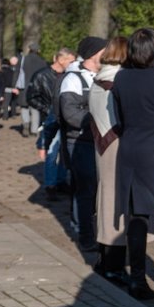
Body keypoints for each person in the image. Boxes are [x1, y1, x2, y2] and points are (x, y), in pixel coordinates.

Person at [112, 28, 154, 300]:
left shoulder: (121, 78)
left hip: (128, 151)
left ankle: (137, 277)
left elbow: (118, 119)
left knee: (136, 216)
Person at [59, 37, 106, 253]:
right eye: (104, 50)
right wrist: (97, 118)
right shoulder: (72, 79)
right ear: (93, 54)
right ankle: (85, 235)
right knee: (85, 189)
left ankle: (84, 226)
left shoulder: (101, 75)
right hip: (80, 141)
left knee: (91, 189)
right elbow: (70, 114)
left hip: (96, 141)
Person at [88, 37, 130, 287]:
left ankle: (104, 260)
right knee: (116, 204)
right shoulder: (115, 80)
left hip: (101, 145)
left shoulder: (98, 78)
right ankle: (113, 266)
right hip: (115, 143)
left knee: (104, 199)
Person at [30, 48, 76, 199]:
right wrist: (49, 110)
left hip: (66, 119)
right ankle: (50, 185)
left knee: (64, 152)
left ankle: (61, 181)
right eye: (71, 61)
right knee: (51, 153)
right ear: (61, 60)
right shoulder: (41, 75)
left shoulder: (69, 76)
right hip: (51, 119)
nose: (73, 64)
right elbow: (32, 97)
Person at [17, 43, 48, 137]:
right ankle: (34, 129)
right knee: (35, 109)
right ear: (38, 51)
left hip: (24, 87)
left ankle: (26, 124)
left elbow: (17, 73)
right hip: (36, 88)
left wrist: (15, 86)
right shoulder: (42, 61)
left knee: (24, 107)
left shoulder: (23, 59)